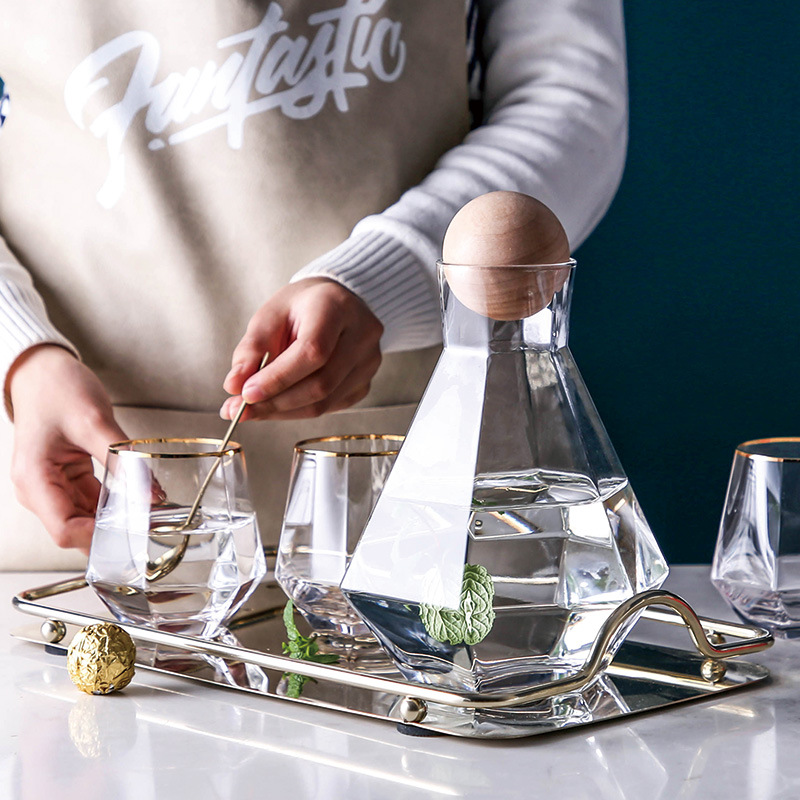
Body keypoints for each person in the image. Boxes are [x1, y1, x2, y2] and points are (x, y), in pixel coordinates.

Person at [0, 0, 628, 569]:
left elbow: (570, 97)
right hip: (67, 495)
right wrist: (21, 354)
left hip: (432, 498)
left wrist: (382, 280)